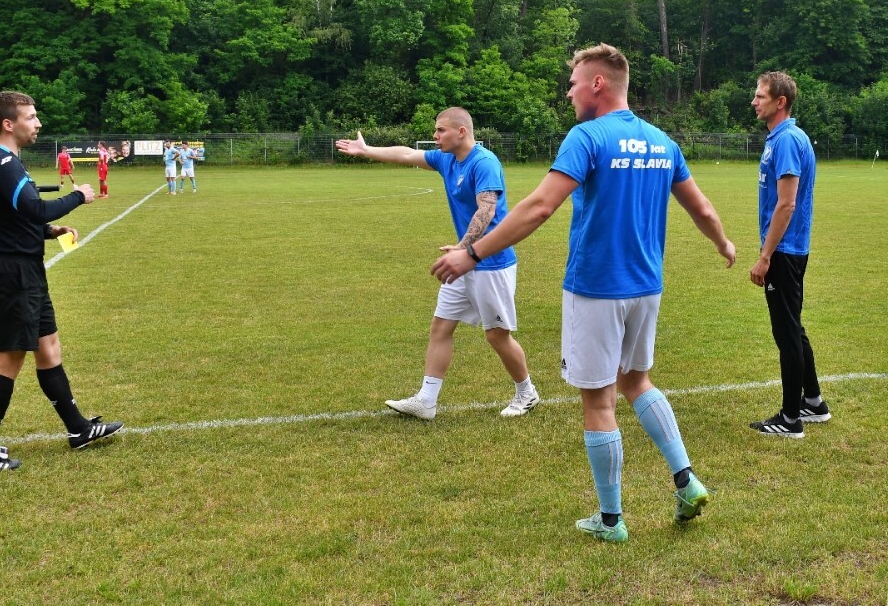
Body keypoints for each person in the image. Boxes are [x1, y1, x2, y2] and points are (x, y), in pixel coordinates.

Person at [431, 44, 736, 542]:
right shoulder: (662, 141)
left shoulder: (587, 136)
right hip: (647, 287)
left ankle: (611, 521)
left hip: (596, 287)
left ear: (598, 83)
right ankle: (686, 479)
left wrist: (472, 253)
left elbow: (537, 208)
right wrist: (723, 242)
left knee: (599, 400)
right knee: (637, 382)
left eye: (573, 82)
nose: (569, 92)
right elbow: (701, 209)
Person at [335, 107, 539, 420]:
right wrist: (366, 150)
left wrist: (464, 248)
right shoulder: (446, 160)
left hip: (490, 262)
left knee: (496, 335)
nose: (435, 136)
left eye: (440, 130)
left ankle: (527, 394)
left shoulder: (484, 162)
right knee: (440, 327)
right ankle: (426, 401)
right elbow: (406, 154)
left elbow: (486, 209)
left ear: (461, 132)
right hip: (462, 261)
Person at [0, 91, 123, 473]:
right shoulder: (3, 162)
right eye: (31, 117)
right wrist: (77, 197)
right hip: (12, 275)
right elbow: (33, 207)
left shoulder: (9, 162)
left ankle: (79, 430)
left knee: (49, 347)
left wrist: (49, 231)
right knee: (9, 359)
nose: (37, 124)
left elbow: (18, 217)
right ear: (9, 123)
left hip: (26, 271)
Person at [748, 71, 827, 438]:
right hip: (787, 248)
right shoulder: (780, 138)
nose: (754, 101)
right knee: (793, 326)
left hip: (784, 251)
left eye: (761, 96)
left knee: (786, 332)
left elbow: (787, 203)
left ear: (781, 102)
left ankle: (790, 418)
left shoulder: (787, 141)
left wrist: (765, 256)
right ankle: (813, 402)